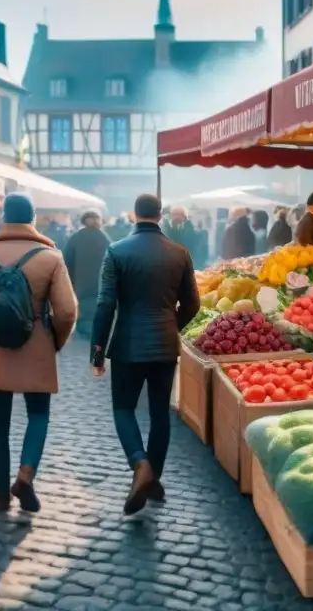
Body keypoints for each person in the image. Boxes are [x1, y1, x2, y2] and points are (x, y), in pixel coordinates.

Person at [0, 193, 77, 513]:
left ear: (3, 218)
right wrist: (54, 340)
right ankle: (25, 476)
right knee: (38, 415)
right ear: (33, 218)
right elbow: (67, 312)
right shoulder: (51, 257)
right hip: (36, 346)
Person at [91, 193, 199, 515]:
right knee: (159, 415)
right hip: (165, 344)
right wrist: (171, 325)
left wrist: (97, 350)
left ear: (133, 215)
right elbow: (193, 303)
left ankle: (140, 465)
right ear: (160, 215)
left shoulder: (116, 251)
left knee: (123, 408)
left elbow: (105, 304)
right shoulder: (179, 253)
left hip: (127, 344)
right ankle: (153, 478)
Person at [63, 209, 111, 337]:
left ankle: (84, 328)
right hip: (99, 282)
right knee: (97, 306)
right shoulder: (104, 238)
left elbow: (67, 261)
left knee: (82, 307)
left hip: (80, 283)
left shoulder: (75, 237)